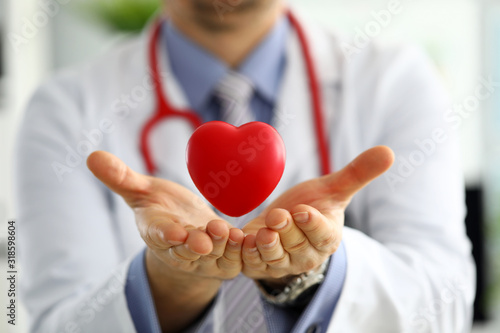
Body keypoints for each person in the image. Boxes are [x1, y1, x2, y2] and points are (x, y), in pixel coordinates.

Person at [16, 0, 475, 332]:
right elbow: (56, 322)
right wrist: (172, 284)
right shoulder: (66, 107)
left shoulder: (395, 81)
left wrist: (312, 271)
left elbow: (443, 305)